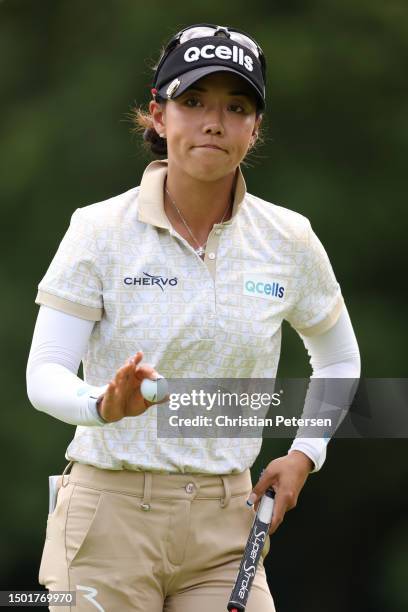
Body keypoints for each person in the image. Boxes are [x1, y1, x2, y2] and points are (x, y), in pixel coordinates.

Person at [26, 23, 360, 612]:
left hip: (226, 524)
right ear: (158, 116)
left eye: (237, 107)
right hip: (108, 519)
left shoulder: (288, 238)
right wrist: (102, 405)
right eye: (193, 101)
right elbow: (44, 373)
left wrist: (306, 454)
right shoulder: (98, 230)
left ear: (255, 127)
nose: (214, 122)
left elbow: (338, 356)